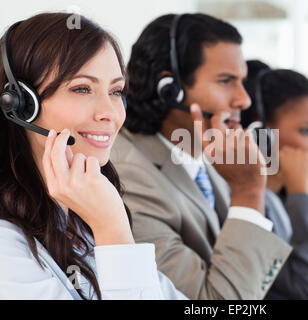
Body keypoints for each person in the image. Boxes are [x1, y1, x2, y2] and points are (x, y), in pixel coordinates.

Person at [0, 12, 186, 300]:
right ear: (20, 104)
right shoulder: (6, 247)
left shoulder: (79, 220)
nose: (110, 113)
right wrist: (112, 230)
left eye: (116, 90)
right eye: (82, 88)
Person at [110, 13, 292, 300]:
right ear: (169, 89)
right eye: (225, 81)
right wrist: (248, 192)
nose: (243, 100)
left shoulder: (209, 155)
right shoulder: (127, 176)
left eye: (242, 81)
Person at [241, 60, 308, 299]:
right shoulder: (251, 207)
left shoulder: (282, 199)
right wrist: (300, 194)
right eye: (306, 131)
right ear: (260, 134)